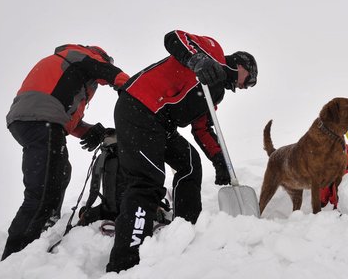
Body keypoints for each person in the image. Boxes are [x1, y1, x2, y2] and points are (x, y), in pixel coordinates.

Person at [106, 30, 258, 272]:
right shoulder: (212, 52)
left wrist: (219, 160)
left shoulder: (213, 92)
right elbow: (174, 37)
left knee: (189, 162)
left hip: (160, 123)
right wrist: (198, 60)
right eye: (249, 80)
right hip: (139, 107)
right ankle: (125, 261)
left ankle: (185, 226)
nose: (246, 87)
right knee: (147, 182)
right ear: (241, 64)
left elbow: (203, 129)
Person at [2, 44, 130, 260]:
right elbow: (111, 74)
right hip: (41, 121)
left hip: (29, 121)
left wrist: (91, 132)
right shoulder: (83, 56)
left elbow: (66, 118)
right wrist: (134, 90)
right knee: (41, 192)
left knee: (61, 171)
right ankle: (16, 256)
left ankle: (48, 220)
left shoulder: (68, 67)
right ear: (103, 58)